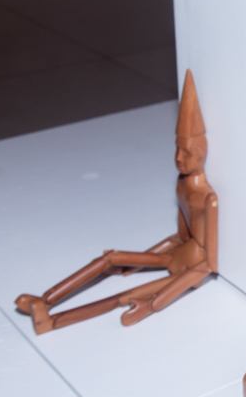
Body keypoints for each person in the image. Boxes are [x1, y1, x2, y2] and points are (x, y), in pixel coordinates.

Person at [15, 70, 218, 333]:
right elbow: (179, 236)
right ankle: (44, 300)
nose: (178, 158)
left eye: (186, 152)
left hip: (190, 267)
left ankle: (51, 322)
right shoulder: (182, 184)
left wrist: (152, 304)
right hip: (176, 254)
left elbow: (208, 264)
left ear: (201, 153)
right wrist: (138, 261)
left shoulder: (208, 199)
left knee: (122, 297)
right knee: (111, 259)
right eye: (177, 149)